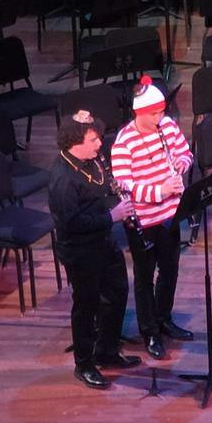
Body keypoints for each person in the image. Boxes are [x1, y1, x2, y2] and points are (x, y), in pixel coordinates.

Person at [49, 108, 141, 388]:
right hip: (79, 250)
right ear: (74, 143)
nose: (100, 144)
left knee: (116, 293)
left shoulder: (92, 160)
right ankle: (84, 363)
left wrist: (115, 189)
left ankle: (108, 351)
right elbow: (72, 222)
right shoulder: (63, 180)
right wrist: (112, 216)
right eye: (93, 140)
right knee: (86, 306)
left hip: (102, 241)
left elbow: (100, 186)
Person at [109, 76, 195, 360]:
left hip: (171, 215)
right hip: (143, 220)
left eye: (162, 112)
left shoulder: (167, 126)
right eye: (155, 114)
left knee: (170, 270)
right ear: (140, 113)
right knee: (145, 277)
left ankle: (164, 318)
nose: (161, 118)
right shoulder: (124, 142)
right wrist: (161, 190)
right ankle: (149, 331)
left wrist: (180, 164)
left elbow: (186, 153)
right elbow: (125, 186)